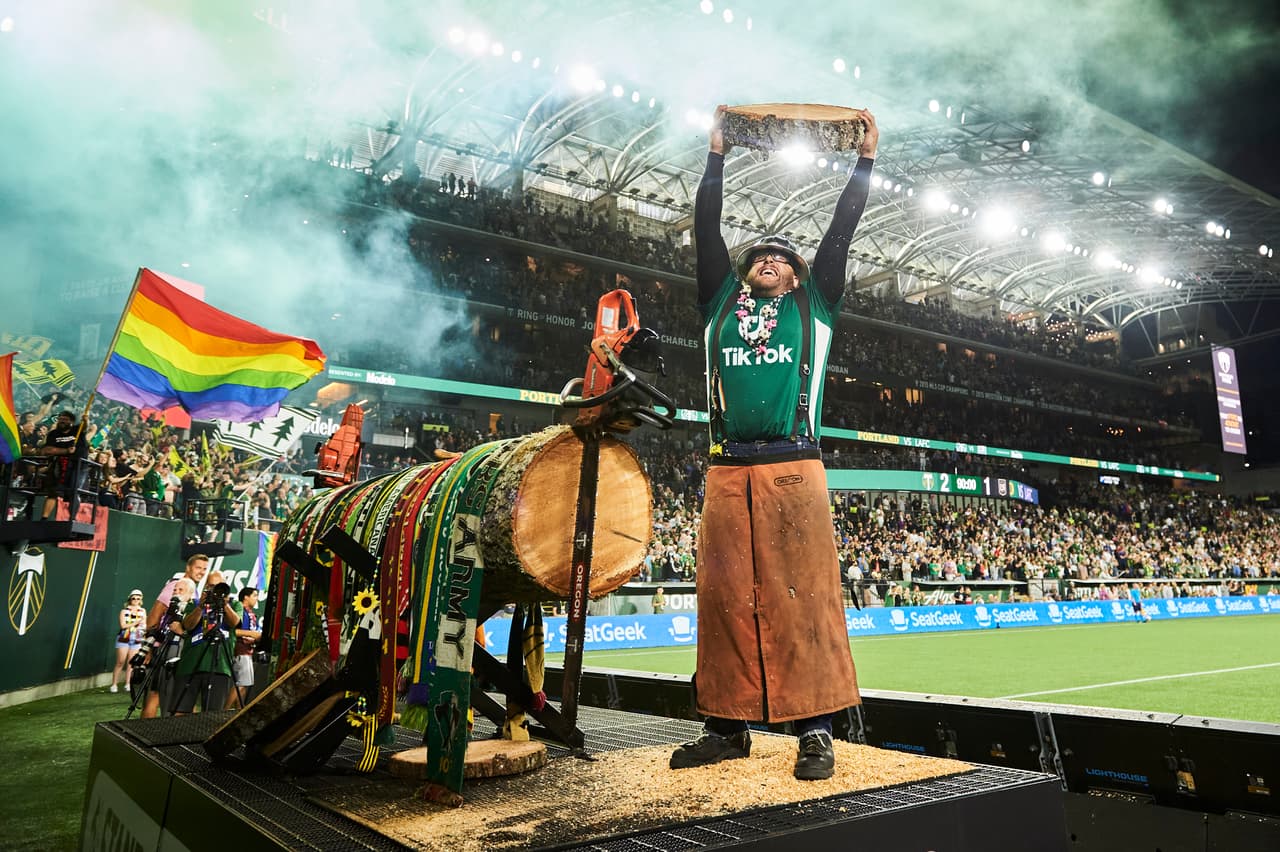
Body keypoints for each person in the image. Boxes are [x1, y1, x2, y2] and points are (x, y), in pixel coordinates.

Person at [670, 105, 878, 781]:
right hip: (727, 468)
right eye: (757, 255)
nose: (768, 259)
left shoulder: (813, 308)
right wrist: (715, 157)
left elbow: (840, 236)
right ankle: (727, 728)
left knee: (805, 603)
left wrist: (864, 163)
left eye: (780, 258)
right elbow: (706, 229)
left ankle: (815, 732)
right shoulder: (719, 304)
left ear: (796, 277)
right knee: (724, 600)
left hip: (795, 467)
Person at [140, 554, 209, 718]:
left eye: (204, 569)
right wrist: (148, 647)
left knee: (179, 698)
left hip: (181, 649)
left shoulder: (193, 588)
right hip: (166, 647)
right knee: (156, 697)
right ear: (188, 568)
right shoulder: (175, 586)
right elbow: (154, 616)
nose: (201, 572)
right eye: (198, 567)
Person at [172, 570, 241, 715]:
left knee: (211, 716)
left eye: (218, 587)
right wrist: (201, 607)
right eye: (211, 586)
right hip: (190, 664)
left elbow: (234, 622)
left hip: (220, 666)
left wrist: (223, 604)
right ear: (205, 587)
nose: (214, 590)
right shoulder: (195, 603)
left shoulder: (234, 604)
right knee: (179, 713)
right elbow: (188, 625)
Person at [37, 410, 88, 519]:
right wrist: (66, 451)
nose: (62, 421)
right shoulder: (53, 434)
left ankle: (72, 519)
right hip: (59, 466)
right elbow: (47, 450)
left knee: (74, 491)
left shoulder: (77, 430)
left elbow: (84, 426)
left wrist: (85, 420)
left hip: (78, 466)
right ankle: (44, 518)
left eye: (65, 419)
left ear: (72, 422)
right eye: (60, 419)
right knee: (53, 492)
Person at [226, 586, 262, 709]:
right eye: (255, 595)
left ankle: (239, 711)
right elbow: (235, 631)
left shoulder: (250, 612)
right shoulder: (240, 609)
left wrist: (253, 638)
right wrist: (252, 635)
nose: (257, 598)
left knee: (244, 684)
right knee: (241, 683)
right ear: (246, 597)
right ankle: (224, 710)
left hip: (246, 651)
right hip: (240, 650)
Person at [110, 590, 147, 693]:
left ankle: (128, 684)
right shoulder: (124, 611)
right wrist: (137, 622)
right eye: (134, 598)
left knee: (131, 663)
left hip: (137, 638)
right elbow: (123, 626)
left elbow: (144, 625)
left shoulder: (143, 611)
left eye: (138, 598)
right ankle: (114, 684)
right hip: (124, 637)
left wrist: (140, 627)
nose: (136, 600)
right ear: (130, 599)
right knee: (120, 662)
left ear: (141, 600)